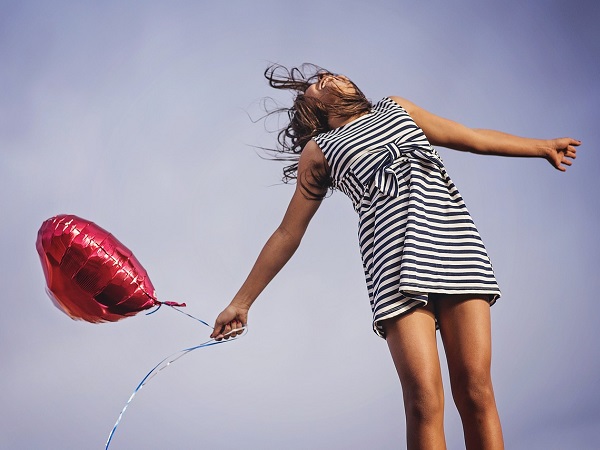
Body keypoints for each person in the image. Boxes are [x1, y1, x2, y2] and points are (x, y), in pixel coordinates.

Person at [210, 64, 580, 449]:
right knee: (423, 400)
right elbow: (288, 233)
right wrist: (241, 302)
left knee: (475, 388)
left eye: (328, 73)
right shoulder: (319, 150)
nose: (329, 78)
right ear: (312, 107)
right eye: (318, 84)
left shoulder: (396, 108)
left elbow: (469, 137)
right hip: (392, 267)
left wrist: (541, 146)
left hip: (455, 246)